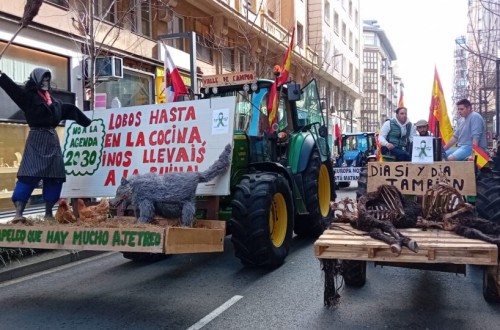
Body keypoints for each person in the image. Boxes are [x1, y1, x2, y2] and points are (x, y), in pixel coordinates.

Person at [0, 68, 92, 222]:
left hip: (52, 140)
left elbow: (69, 109)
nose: (45, 82)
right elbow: (13, 90)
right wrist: (2, 76)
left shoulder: (55, 102)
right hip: (36, 139)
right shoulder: (28, 98)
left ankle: (49, 213)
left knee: (55, 176)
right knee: (28, 174)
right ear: (36, 80)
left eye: (47, 80)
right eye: (43, 79)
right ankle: (18, 213)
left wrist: (87, 122)